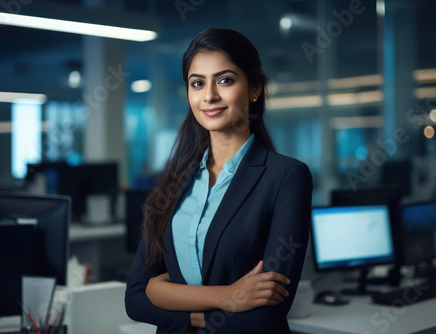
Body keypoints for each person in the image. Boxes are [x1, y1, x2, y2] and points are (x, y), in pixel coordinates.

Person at [125, 28, 313, 334]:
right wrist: (228, 298)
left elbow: (267, 315)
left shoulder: (286, 177)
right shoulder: (174, 180)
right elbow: (135, 299)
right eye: (197, 83)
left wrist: (165, 294)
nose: (209, 96)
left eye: (225, 80)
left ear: (254, 89)